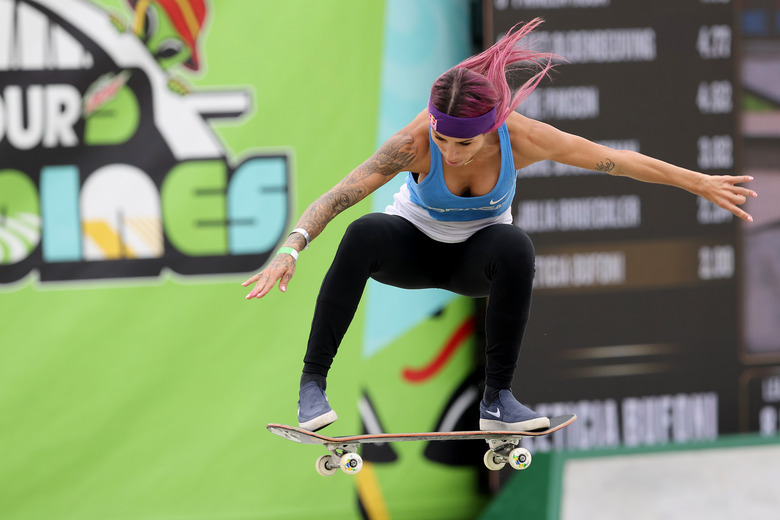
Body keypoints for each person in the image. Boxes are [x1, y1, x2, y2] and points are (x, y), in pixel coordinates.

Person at [242, 19, 756, 433]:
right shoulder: (414, 142)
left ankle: (497, 400)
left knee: (515, 245)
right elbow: (338, 195)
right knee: (363, 230)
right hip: (412, 250)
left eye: (461, 145)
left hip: (476, 261)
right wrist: (292, 246)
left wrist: (700, 183)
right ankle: (312, 386)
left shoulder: (524, 138)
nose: (448, 153)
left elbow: (616, 160)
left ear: (490, 130)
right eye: (442, 139)